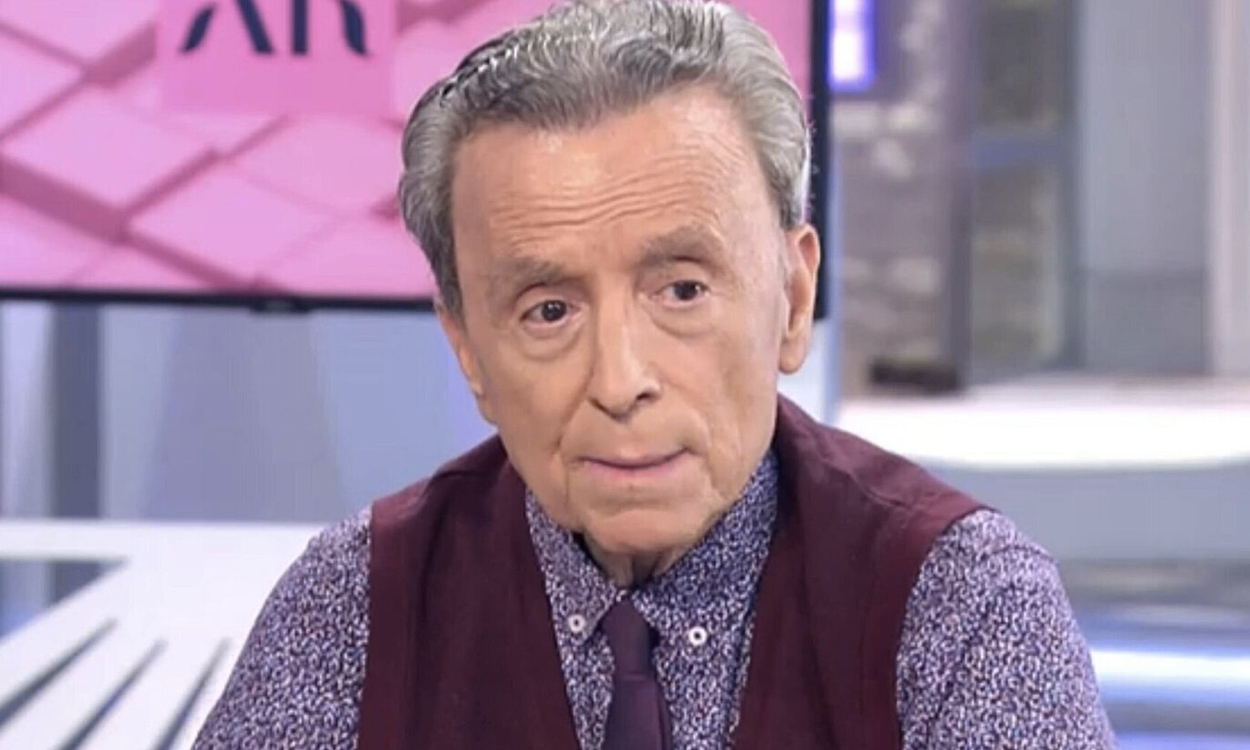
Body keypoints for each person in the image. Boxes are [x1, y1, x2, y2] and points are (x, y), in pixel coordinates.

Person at [193, 1, 1116, 747]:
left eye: (681, 290)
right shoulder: (360, 605)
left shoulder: (954, 604)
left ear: (793, 298)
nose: (620, 379)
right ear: (468, 347)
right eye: (549, 310)